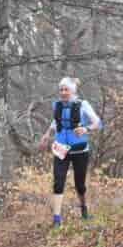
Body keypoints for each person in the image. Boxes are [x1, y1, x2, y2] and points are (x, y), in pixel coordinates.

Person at [37, 77, 102, 228]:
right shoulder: (57, 105)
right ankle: (57, 218)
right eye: (61, 89)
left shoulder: (83, 105)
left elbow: (98, 122)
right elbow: (56, 122)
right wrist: (47, 134)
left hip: (80, 150)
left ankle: (84, 209)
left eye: (66, 89)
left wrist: (86, 129)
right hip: (61, 149)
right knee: (58, 182)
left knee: (80, 185)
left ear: (73, 91)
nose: (63, 92)